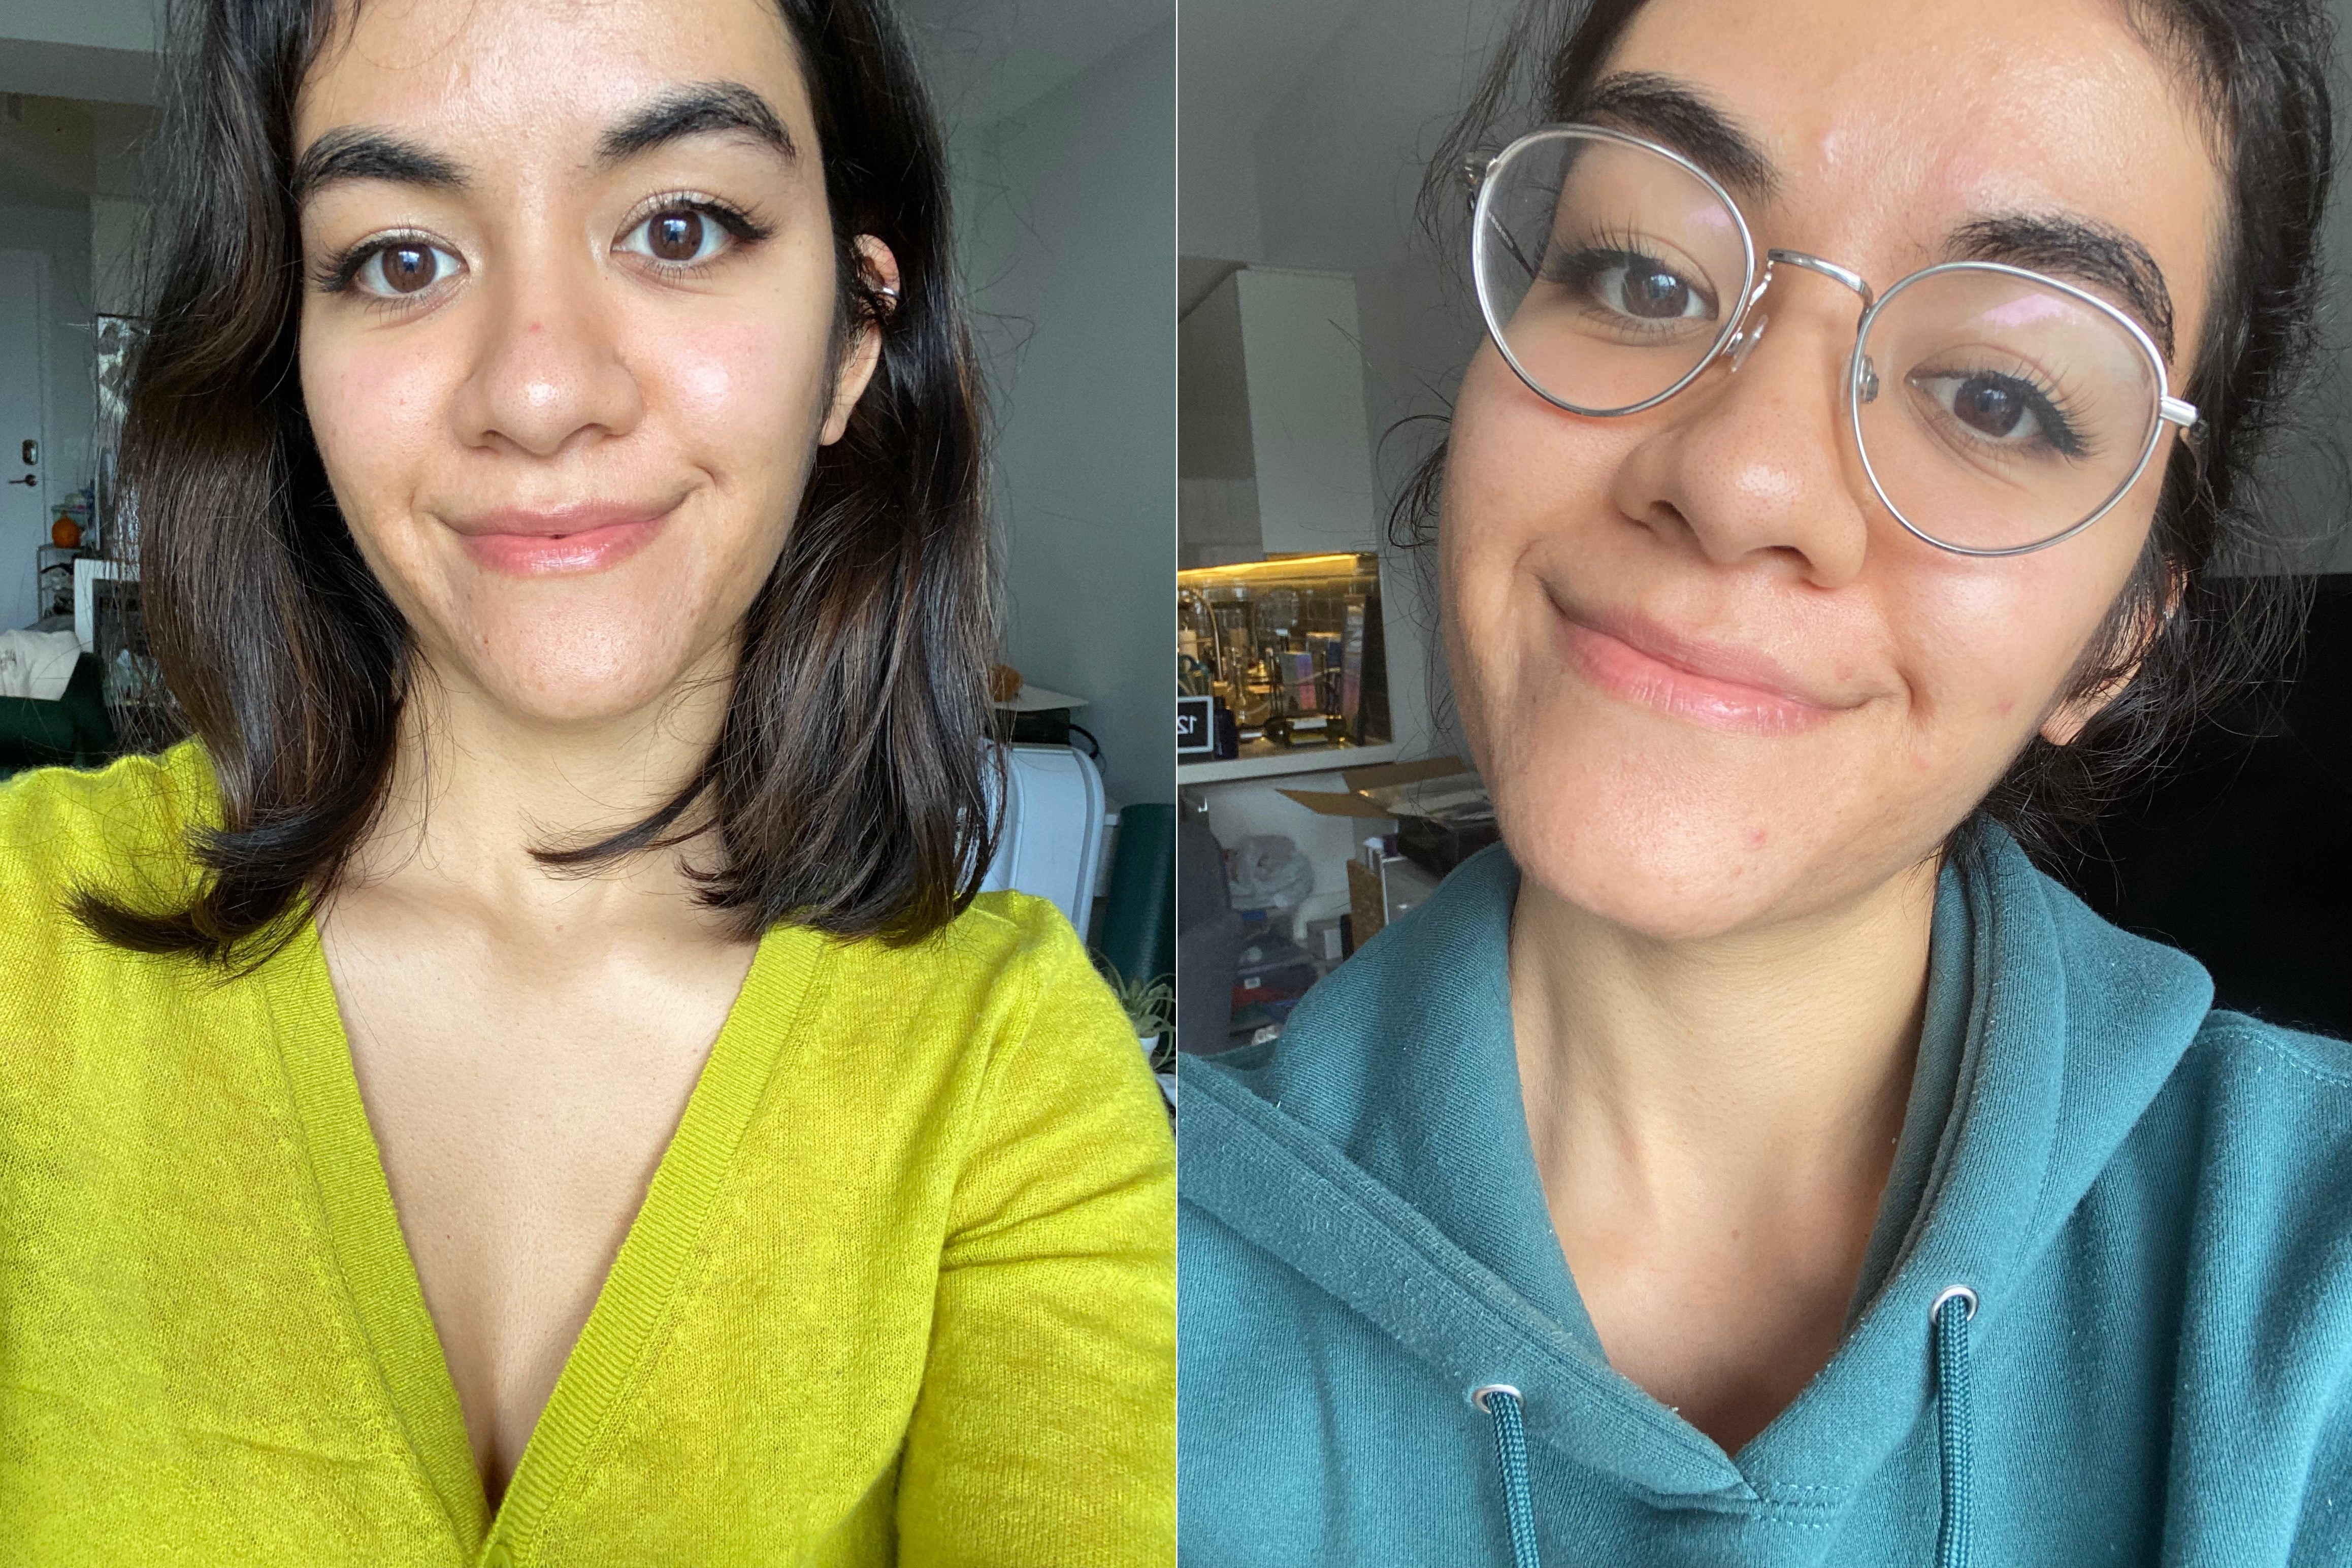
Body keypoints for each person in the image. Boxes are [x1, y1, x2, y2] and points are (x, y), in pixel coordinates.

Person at [0, 0, 1173, 1562]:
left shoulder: (1012, 1078)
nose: (539, 395)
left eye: (680, 226)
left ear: (853, 340)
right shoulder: (28, 942)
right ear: (294, 359)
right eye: (402, 258)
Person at [1178, 0, 2347, 1561]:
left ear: (2120, 638)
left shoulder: (2304, 1280)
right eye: (1647, 275)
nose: (1742, 480)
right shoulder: (1130, 1262)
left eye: (1995, 395)